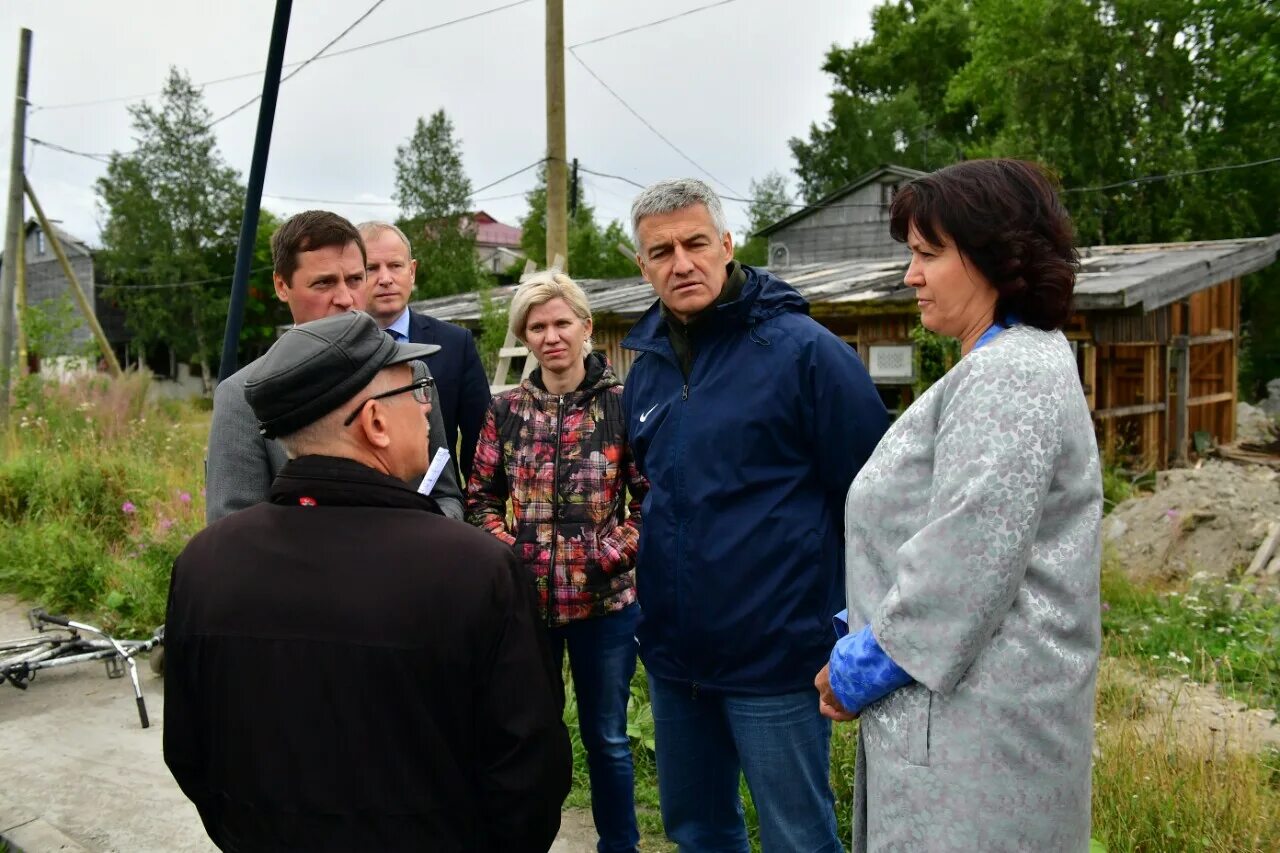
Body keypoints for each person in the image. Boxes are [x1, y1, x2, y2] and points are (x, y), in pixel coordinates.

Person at [165, 310, 572, 852]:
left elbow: (188, 751)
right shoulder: (476, 570)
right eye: (417, 390)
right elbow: (530, 770)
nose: (428, 406)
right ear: (375, 422)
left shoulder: (204, 563)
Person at [814, 159, 1103, 852]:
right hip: (968, 728)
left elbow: (965, 565)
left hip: (978, 742)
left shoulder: (1010, 375)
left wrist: (857, 667)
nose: (910, 275)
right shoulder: (1006, 364)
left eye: (926, 254)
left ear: (996, 259)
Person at [620, 178, 889, 852]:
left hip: (777, 655)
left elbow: (875, 500)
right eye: (661, 252)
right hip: (676, 658)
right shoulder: (646, 365)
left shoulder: (805, 353)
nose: (681, 263)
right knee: (697, 830)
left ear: (728, 244)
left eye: (695, 243)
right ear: (642, 266)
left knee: (798, 837)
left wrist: (861, 630)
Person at [466, 271, 647, 853]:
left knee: (608, 740)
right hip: (528, 610)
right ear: (525, 336)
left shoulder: (624, 406)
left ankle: (618, 846)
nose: (551, 336)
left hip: (605, 607)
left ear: (586, 327)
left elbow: (652, 499)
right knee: (529, 737)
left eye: (561, 322)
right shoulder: (506, 410)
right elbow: (480, 499)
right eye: (536, 326)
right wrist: (510, 552)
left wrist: (612, 553)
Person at [205, 210, 463, 524]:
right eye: (324, 283)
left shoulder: (411, 373)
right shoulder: (240, 396)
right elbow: (235, 528)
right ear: (282, 285)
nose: (345, 298)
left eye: (356, 279)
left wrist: (423, 538)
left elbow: (446, 494)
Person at [359, 221, 492, 480]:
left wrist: (469, 512)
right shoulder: (335, 347)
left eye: (395, 266)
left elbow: (480, 442)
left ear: (412, 271)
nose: (385, 279)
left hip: (435, 506)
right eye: (371, 268)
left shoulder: (455, 344)